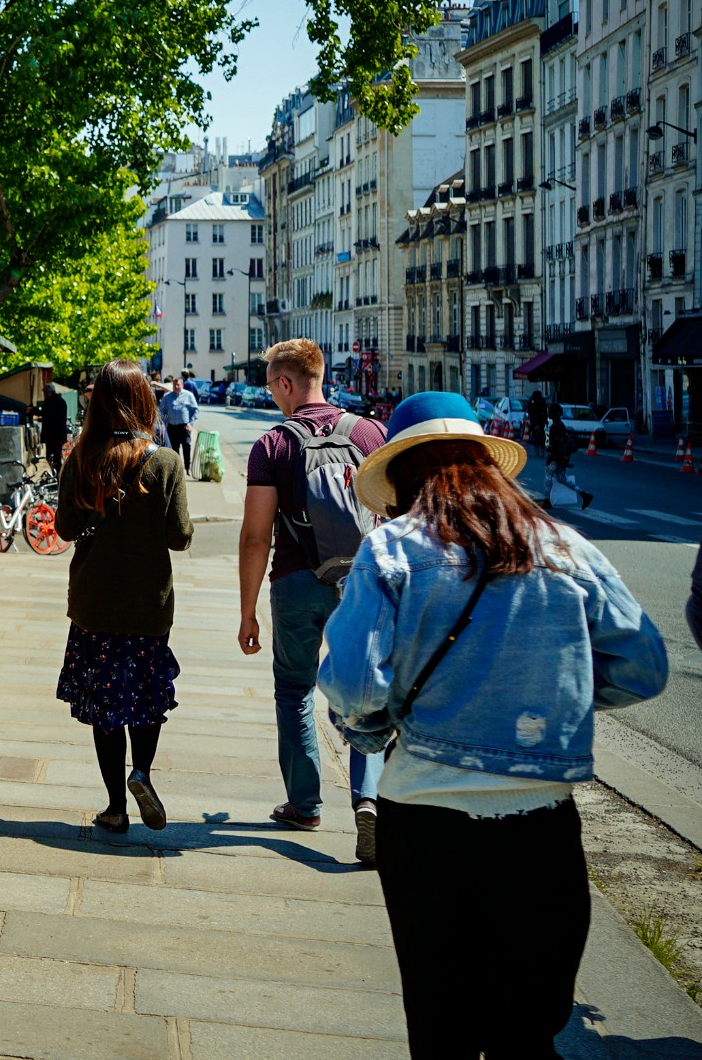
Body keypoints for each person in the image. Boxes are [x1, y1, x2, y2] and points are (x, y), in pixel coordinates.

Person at [320, 391, 666, 1059]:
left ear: (402, 478)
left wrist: (371, 735)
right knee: (528, 1030)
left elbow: (358, 686)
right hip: (539, 820)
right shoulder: (564, 545)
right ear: (488, 467)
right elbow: (643, 666)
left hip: (422, 816)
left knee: (439, 1022)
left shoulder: (392, 548)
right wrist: (552, 694)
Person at [237, 338, 388, 861]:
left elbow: (257, 536)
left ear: (285, 382)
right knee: (366, 692)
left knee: (295, 689)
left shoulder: (274, 444)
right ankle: (367, 798)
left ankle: (305, 804)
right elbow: (389, 517)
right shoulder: (371, 433)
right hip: (363, 585)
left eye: (271, 385)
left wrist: (247, 610)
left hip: (297, 581)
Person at [53, 359, 193, 833]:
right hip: (147, 606)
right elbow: (179, 537)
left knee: (104, 707)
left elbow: (64, 529)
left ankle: (115, 808)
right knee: (146, 699)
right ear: (145, 402)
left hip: (95, 605)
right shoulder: (166, 462)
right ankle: (143, 773)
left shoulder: (82, 457)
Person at [542, 411, 592, 510]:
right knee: (561, 478)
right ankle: (584, 494)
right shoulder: (561, 425)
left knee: (548, 477)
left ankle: (547, 501)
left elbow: (552, 444)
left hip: (555, 457)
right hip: (562, 456)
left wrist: (547, 434)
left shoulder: (553, 427)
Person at [158, 375, 199, 471]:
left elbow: (195, 410)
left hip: (184, 426)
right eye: (175, 385)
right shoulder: (167, 397)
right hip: (172, 427)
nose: (176, 387)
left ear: (182, 385)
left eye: (178, 385)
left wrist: (191, 423)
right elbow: (162, 411)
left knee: (187, 445)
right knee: (174, 449)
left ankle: (187, 466)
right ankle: (177, 468)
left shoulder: (189, 395)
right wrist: (163, 424)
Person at [525, 388, 548, 454]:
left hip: (537, 418)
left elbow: (529, 409)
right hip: (538, 418)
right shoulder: (540, 400)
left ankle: (536, 440)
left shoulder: (534, 400)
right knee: (543, 431)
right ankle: (545, 444)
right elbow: (545, 410)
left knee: (538, 431)